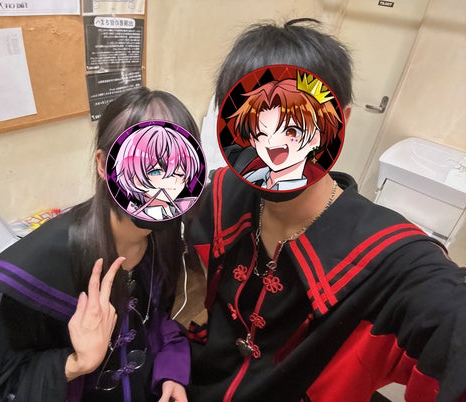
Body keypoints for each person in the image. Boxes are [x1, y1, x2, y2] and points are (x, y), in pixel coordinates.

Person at [186, 18, 466, 402]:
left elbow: (448, 315)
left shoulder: (392, 263)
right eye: (255, 129)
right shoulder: (222, 194)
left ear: (340, 123)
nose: (274, 148)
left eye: (294, 129)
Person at [0, 87, 199, 402]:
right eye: (152, 169)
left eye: (180, 170)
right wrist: (74, 364)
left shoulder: (163, 239)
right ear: (103, 165)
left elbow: (156, 323)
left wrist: (170, 370)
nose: (166, 187)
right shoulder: (39, 266)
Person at [113, 123, 202, 220]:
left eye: (180, 174)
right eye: (156, 172)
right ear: (136, 179)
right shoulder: (136, 215)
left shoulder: (188, 207)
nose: (172, 180)